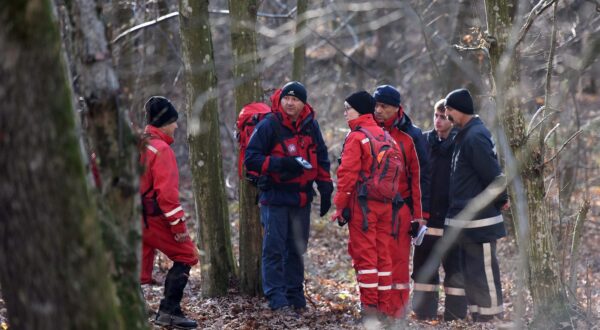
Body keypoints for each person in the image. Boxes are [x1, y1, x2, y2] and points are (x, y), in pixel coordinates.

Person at [244, 81, 333, 312]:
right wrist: (282, 164)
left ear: (303, 103)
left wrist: (325, 187)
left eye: (295, 99)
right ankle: (276, 298)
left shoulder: (311, 126)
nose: (290, 103)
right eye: (287, 98)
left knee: (297, 249)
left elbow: (321, 157)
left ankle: (295, 295)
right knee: (273, 249)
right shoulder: (268, 125)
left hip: (301, 199)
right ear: (281, 99)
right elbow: (251, 159)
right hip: (274, 197)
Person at [443, 88, 509, 322]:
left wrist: (502, 199)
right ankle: (480, 317)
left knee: (483, 273)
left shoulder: (475, 136)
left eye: (449, 110)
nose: (447, 115)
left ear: (458, 110)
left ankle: (491, 319)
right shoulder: (464, 134)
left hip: (481, 221)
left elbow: (493, 174)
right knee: (471, 273)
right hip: (466, 222)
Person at [331, 91, 395, 321]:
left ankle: (369, 309)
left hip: (363, 206)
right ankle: (385, 309)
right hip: (386, 205)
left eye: (348, 107)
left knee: (366, 257)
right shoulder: (386, 136)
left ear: (359, 109)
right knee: (383, 257)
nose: (345, 111)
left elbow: (347, 175)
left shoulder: (357, 137)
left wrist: (340, 206)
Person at [140, 96, 198, 329]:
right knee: (187, 255)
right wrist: (179, 229)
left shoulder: (135, 143)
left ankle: (129, 309)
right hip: (152, 218)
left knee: (137, 266)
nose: (176, 126)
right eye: (173, 121)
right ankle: (169, 311)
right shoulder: (161, 150)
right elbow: (167, 197)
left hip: (130, 217)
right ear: (164, 122)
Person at [372, 85, 427, 318]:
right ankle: (378, 309)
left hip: (400, 208)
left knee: (399, 261)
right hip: (372, 209)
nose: (379, 110)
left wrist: (420, 216)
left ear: (396, 108)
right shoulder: (368, 131)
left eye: (384, 106)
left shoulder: (411, 136)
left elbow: (421, 178)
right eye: (376, 105)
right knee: (375, 260)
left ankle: (398, 312)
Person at [411, 99, 466, 321]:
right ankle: (424, 313)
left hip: (452, 217)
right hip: (426, 218)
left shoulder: (461, 144)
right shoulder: (424, 141)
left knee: (455, 271)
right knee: (424, 268)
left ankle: (456, 315)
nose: (438, 121)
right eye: (436, 116)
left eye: (443, 116)